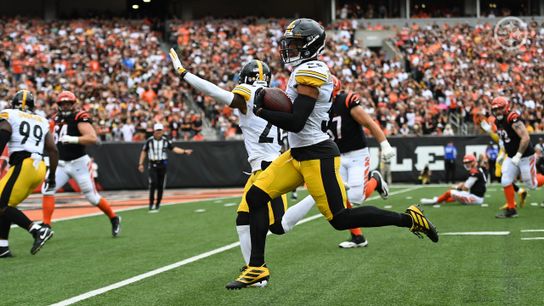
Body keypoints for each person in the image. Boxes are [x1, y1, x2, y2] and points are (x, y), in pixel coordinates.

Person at [225, 18, 438, 290]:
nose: (289, 47)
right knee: (256, 197)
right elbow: (293, 112)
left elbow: (296, 121)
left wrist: (262, 110)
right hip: (297, 153)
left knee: (341, 219)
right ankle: (256, 268)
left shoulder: (312, 71)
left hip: (317, 154)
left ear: (310, 44)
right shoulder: (304, 70)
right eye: (289, 42)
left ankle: (409, 219)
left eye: (295, 43)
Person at [169, 52, 319, 287]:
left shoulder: (249, 93)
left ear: (245, 79)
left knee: (279, 226)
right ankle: (255, 270)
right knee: (242, 220)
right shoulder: (277, 96)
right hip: (262, 167)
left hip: (269, 168)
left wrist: (184, 73)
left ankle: (314, 198)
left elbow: (215, 92)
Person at [327, 75, 395, 248]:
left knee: (356, 198)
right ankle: (358, 237)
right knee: (341, 201)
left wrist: (384, 144)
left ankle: (375, 180)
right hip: (336, 156)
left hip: (357, 154)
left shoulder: (345, 101)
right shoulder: (316, 107)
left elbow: (369, 123)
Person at [41, 91, 121, 236]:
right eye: (63, 104)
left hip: (79, 163)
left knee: (92, 197)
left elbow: (91, 138)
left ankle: (114, 218)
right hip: (60, 164)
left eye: (68, 104)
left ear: (73, 104)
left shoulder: (80, 117)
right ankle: (46, 225)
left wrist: (73, 139)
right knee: (47, 189)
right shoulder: (55, 119)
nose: (65, 106)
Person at [0, 90, 56, 257]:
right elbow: (53, 150)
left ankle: (37, 230)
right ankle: (2, 247)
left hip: (23, 164)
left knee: (2, 204)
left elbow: (4, 132)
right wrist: (51, 176)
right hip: (39, 168)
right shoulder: (42, 120)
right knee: (7, 204)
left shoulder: (10, 114)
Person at [491, 96, 544, 218]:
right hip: (511, 156)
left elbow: (525, 138)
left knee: (532, 185)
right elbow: (505, 140)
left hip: (525, 156)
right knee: (505, 180)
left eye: (500, 108)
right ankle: (511, 209)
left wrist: (518, 155)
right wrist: (503, 153)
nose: (498, 111)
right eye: (495, 109)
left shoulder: (512, 118)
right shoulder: (498, 121)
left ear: (506, 107)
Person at [138, 123, 193, 212]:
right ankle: (151, 204)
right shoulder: (149, 141)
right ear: (154, 131)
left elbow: (173, 148)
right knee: (153, 184)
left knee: (160, 185)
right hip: (152, 164)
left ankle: (158, 204)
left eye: (161, 131)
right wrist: (140, 163)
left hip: (162, 164)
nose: (159, 132)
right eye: (158, 131)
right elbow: (144, 151)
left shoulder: (165, 140)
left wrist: (184, 151)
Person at [420, 154, 487, 205]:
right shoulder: (478, 169)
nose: (467, 164)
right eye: (465, 163)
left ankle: (435, 201)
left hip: (475, 198)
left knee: (450, 192)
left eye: (469, 162)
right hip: (477, 196)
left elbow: (465, 188)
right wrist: (461, 185)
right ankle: (441, 199)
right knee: (455, 196)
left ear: (473, 162)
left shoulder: (474, 172)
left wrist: (457, 187)